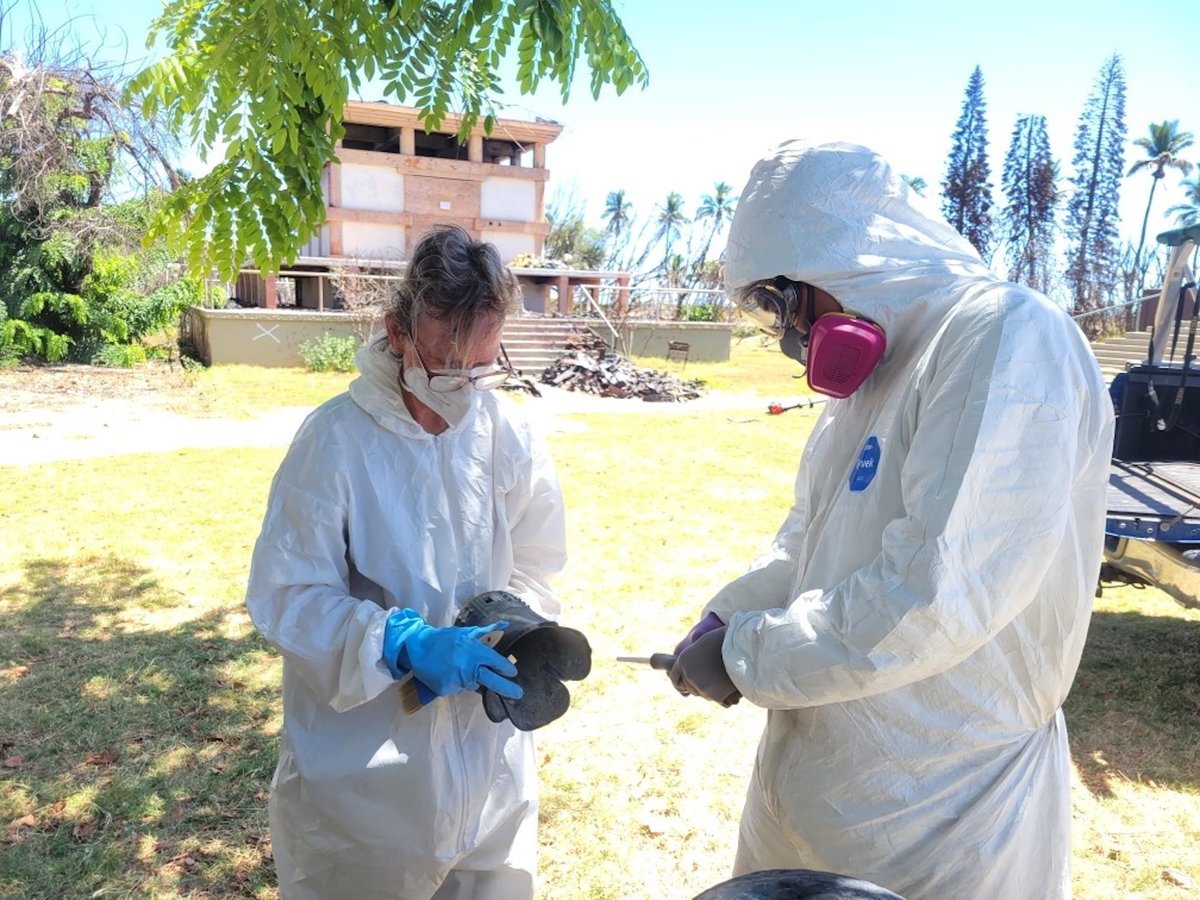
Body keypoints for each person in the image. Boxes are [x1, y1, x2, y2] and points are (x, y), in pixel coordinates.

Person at [668, 140, 1114, 899]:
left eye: (786, 301)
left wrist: (750, 655)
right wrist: (729, 614)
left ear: (841, 260)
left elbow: (936, 595)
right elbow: (807, 542)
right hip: (820, 778)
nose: (788, 332)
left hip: (940, 804)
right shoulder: (869, 384)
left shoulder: (1004, 337)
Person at [245, 225, 567, 899]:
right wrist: (397, 640)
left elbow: (540, 560)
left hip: (487, 760)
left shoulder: (507, 434)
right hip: (366, 778)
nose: (464, 388)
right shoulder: (335, 441)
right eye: (446, 368)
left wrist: (518, 627)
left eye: (480, 367)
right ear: (398, 332)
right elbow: (288, 595)